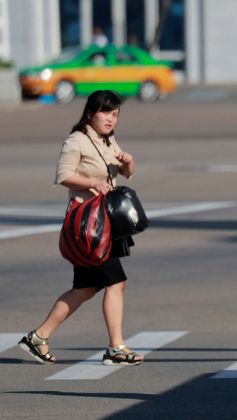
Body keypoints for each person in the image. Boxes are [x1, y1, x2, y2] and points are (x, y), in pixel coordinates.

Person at [18, 90, 144, 366]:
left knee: (85, 288)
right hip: (88, 227)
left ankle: (38, 337)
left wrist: (128, 162)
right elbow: (63, 175)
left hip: (105, 225)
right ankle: (116, 347)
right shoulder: (76, 140)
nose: (111, 119)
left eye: (115, 114)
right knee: (115, 282)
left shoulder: (107, 139)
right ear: (90, 113)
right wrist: (90, 183)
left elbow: (126, 173)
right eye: (105, 113)